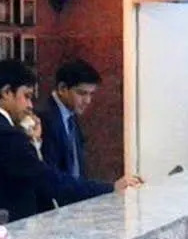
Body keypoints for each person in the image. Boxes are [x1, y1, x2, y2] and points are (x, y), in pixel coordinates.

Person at [0, 60, 135, 221]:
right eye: (26, 96)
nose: (30, 105)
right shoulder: (5, 134)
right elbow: (46, 179)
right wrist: (109, 189)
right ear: (7, 92)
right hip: (12, 226)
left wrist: (34, 142)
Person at [37, 59, 142, 205]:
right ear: (62, 88)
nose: (87, 100)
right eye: (82, 93)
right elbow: (54, 178)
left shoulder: (70, 115)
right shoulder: (45, 118)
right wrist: (108, 188)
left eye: (91, 94)